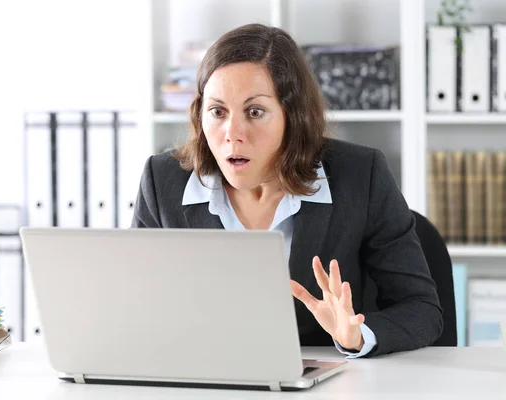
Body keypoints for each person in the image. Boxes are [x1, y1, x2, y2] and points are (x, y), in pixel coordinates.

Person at [131, 23, 443, 358]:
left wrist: (357, 335)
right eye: (217, 112)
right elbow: (130, 309)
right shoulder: (161, 182)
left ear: (292, 117)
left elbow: (421, 308)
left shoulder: (360, 176)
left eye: (255, 112)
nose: (232, 134)